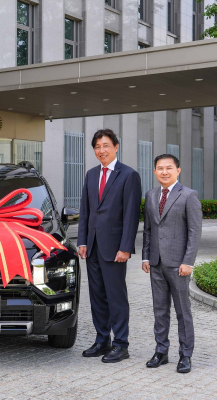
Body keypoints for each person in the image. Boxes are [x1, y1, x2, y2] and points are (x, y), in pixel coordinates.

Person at [78, 129, 142, 363]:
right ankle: (102, 340)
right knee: (97, 296)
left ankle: (121, 344)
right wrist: (82, 240)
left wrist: (126, 247)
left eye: (105, 145)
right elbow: (86, 211)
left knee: (116, 296)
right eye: (97, 146)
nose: (101, 150)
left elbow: (131, 215)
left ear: (116, 146)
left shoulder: (128, 175)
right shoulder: (91, 174)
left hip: (115, 248)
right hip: (92, 246)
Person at [142, 154, 202, 373]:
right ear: (155, 172)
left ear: (178, 170)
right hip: (156, 263)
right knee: (160, 309)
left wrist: (188, 262)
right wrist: (146, 256)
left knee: (182, 310)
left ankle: (186, 355)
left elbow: (195, 232)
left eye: (169, 168)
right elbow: (148, 229)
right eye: (160, 168)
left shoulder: (188, 195)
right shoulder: (150, 196)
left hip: (179, 264)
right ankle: (161, 351)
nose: (164, 172)